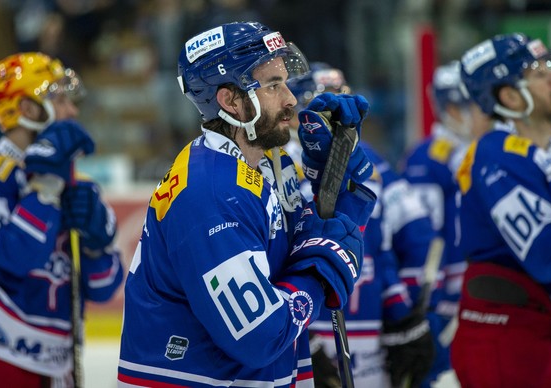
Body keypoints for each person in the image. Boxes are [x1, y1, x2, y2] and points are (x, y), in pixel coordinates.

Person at [118, 21, 377, 387]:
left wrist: (332, 188)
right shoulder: (210, 194)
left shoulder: (272, 164)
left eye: (284, 82)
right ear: (230, 101)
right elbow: (259, 335)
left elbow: (309, 245)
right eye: (272, 85)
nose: (290, 98)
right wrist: (320, 276)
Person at [287, 63, 435, 388]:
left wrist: (403, 315)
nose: (336, 108)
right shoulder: (280, 166)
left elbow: (393, 246)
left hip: (365, 326)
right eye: (322, 100)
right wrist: (299, 336)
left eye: (342, 96)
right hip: (310, 321)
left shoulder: (367, 159)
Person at [0, 52, 124, 387]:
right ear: (28, 110)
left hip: (58, 363)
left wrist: (97, 246)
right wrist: (44, 190)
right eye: (59, 99)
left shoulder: (77, 184)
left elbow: (105, 288)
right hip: (0, 357)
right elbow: (16, 257)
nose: (72, 111)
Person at [452, 33, 551, 387]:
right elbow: (547, 255)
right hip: (513, 345)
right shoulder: (495, 156)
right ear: (509, 96)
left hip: (545, 332)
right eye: (538, 73)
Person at [401, 60, 492, 386]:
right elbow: (424, 237)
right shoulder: (428, 157)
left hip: (476, 288)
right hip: (444, 296)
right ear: (450, 106)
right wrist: (432, 296)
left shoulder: (480, 150)